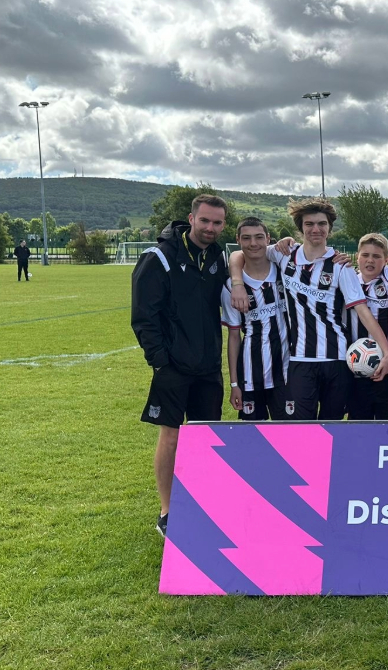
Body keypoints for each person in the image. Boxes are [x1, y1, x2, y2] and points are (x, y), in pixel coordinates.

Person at [229, 197, 388, 420]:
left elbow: (363, 311)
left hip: (336, 360)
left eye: (322, 224)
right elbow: (240, 253)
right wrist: (237, 283)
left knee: (331, 426)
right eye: (309, 224)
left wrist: (387, 351)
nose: (316, 229)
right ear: (300, 228)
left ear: (329, 228)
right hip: (300, 361)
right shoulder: (284, 255)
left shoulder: (340, 266)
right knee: (300, 428)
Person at [131, 194, 229, 537]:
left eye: (217, 223)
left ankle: (199, 501)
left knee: (204, 437)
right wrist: (160, 362)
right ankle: (168, 510)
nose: (210, 228)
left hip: (207, 367)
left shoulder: (219, 256)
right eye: (205, 221)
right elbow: (144, 316)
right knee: (171, 436)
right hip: (172, 366)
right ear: (191, 218)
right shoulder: (159, 257)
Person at [221, 217, 292, 420]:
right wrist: (235, 384)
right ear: (238, 240)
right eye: (247, 238)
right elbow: (234, 336)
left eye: (259, 237)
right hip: (251, 375)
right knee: (251, 440)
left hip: (286, 373)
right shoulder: (231, 287)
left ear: (268, 238)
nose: (253, 243)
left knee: (289, 435)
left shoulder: (285, 273)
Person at [347, 233, 388, 420]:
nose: (370, 260)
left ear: (386, 260)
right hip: (356, 371)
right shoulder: (348, 280)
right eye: (365, 255)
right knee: (358, 428)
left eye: (377, 256)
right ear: (357, 256)